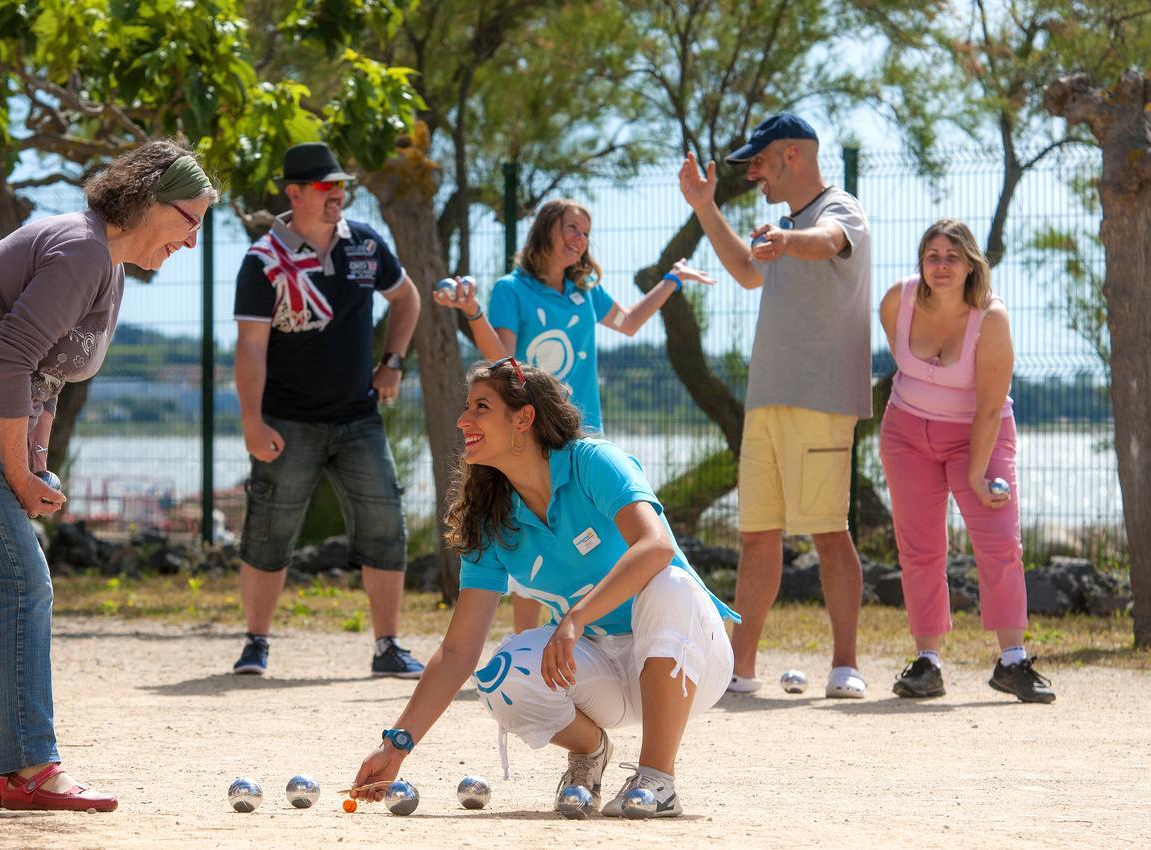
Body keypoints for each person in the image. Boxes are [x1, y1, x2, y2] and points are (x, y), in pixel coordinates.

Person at [0, 139, 216, 810]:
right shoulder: (81, 250)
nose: (194, 240)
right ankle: (33, 766)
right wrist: (15, 470)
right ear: (151, 201)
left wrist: (34, 462)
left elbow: (47, 372)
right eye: (191, 220)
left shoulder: (109, 265)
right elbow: (7, 360)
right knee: (21, 580)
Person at [350, 359, 738, 818]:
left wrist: (576, 618)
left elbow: (655, 547)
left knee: (670, 582)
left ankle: (657, 779)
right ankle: (591, 752)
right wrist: (396, 744)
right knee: (499, 675)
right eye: (466, 407)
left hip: (690, 661)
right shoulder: (488, 517)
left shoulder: (593, 462)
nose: (463, 419)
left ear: (524, 418)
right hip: (602, 669)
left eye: (481, 407)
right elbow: (458, 651)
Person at [432, 199, 714, 631]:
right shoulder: (512, 289)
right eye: (570, 227)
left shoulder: (585, 292)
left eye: (584, 231)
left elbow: (631, 322)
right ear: (544, 230)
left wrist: (671, 280)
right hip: (530, 441)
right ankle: (531, 654)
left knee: (588, 553)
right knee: (536, 561)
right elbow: (504, 361)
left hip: (578, 439)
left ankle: (582, 644)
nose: (578, 238)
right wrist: (473, 311)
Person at [679, 113, 872, 698]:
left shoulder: (841, 210)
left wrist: (788, 241)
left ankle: (845, 665)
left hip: (820, 398)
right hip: (765, 400)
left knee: (829, 532)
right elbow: (744, 270)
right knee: (758, 535)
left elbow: (827, 244)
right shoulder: (785, 226)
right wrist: (704, 206)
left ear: (792, 155)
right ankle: (740, 670)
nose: (752, 173)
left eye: (757, 161)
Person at [231, 142, 424, 678]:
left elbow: (407, 299)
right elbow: (249, 346)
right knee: (269, 531)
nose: (338, 194)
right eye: (325, 186)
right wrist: (252, 422)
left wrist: (393, 362)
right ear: (294, 193)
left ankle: (388, 647)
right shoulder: (263, 260)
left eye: (341, 185)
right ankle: (255, 644)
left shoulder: (365, 243)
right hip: (287, 422)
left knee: (386, 523)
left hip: (359, 417)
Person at [879, 219, 1055, 703]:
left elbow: (990, 405)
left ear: (971, 264)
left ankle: (1012, 661)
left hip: (980, 433)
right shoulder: (899, 300)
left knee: (1000, 544)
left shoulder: (991, 318)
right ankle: (928, 663)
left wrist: (977, 474)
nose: (941, 265)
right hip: (907, 432)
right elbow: (904, 367)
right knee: (920, 549)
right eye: (932, 255)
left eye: (951, 256)